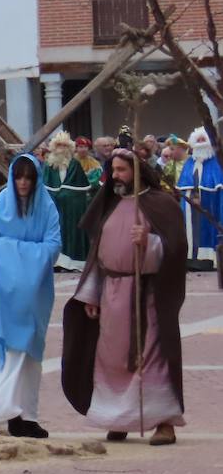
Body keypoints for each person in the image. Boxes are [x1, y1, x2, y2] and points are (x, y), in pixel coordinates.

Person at [63, 150, 187, 445]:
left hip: (147, 296)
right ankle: (119, 418)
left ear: (137, 172)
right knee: (112, 359)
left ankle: (164, 422)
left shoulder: (161, 205)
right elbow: (97, 257)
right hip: (112, 295)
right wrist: (91, 295)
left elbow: (176, 250)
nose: (116, 175)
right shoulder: (110, 204)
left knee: (152, 358)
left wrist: (150, 243)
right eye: (114, 170)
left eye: (121, 170)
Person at [0, 154, 62, 439]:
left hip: (36, 293)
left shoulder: (47, 208)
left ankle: (27, 416)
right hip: (4, 292)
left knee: (32, 353)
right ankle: (5, 409)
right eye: (19, 176)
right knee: (11, 349)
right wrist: (22, 257)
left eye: (29, 177)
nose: (23, 183)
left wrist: (13, 252)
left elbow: (53, 245)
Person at [42, 131, 94, 267]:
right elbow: (46, 188)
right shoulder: (48, 166)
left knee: (72, 233)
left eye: (64, 146)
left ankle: (72, 262)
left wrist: (67, 196)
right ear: (53, 148)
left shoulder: (75, 164)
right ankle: (56, 261)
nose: (61, 149)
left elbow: (81, 189)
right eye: (58, 146)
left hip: (72, 210)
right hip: (54, 209)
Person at [177, 126, 223, 260]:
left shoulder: (216, 163)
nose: (201, 142)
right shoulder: (189, 163)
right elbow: (184, 185)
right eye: (199, 139)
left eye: (204, 139)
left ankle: (209, 258)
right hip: (189, 207)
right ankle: (192, 257)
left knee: (209, 230)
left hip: (210, 204)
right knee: (190, 230)